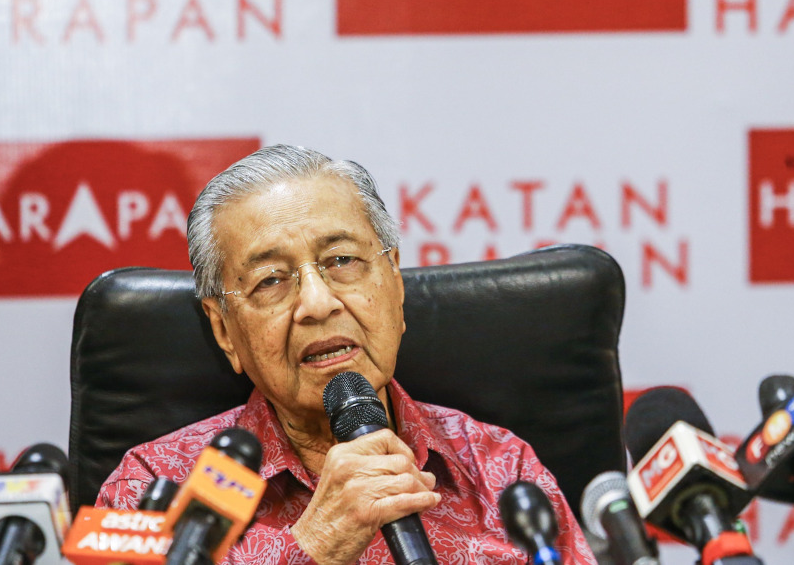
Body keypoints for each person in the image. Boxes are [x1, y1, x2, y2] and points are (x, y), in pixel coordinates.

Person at [97, 145, 597, 564]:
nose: (317, 303)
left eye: (342, 261)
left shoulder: (500, 470)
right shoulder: (152, 486)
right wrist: (312, 547)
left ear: (395, 283)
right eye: (271, 280)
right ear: (224, 330)